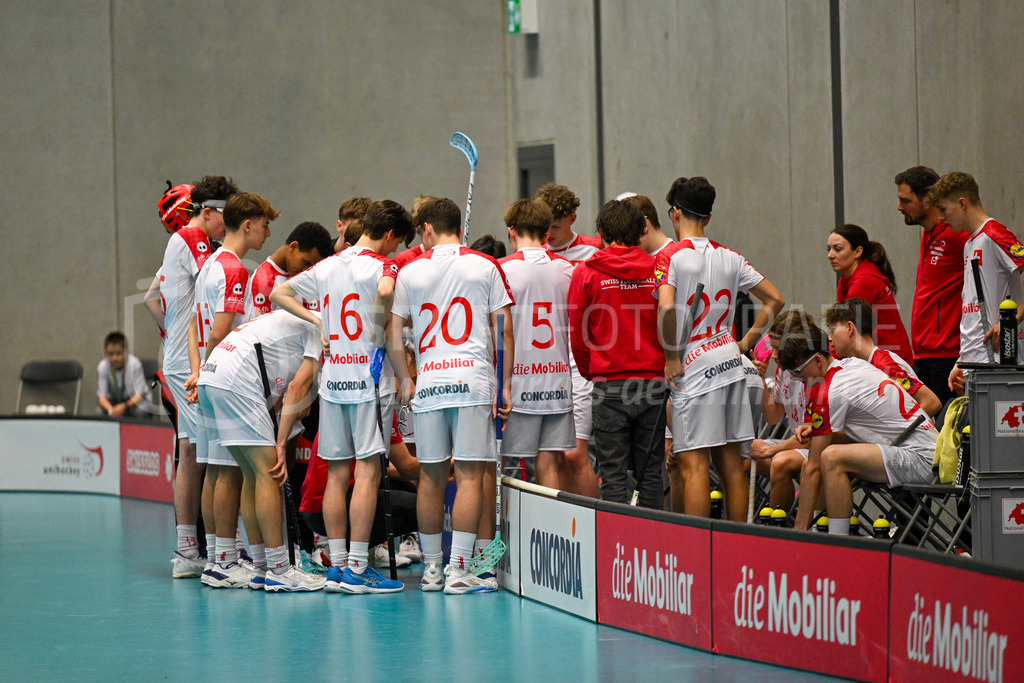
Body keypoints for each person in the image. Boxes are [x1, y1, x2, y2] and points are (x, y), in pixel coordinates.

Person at [272, 199, 414, 594]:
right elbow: (386, 292)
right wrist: (381, 323)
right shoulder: (385, 266)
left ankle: (336, 567)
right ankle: (355, 568)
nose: (395, 250)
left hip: (334, 383)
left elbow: (280, 292)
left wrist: (318, 320)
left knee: (337, 472)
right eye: (396, 242)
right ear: (389, 234)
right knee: (367, 471)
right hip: (369, 383)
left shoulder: (329, 265)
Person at [388, 196, 514, 595]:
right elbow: (504, 330)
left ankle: (432, 571)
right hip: (473, 381)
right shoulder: (486, 265)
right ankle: (461, 570)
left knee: (431, 477)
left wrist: (403, 381)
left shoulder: (412, 271)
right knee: (471, 475)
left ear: (426, 228)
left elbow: (392, 331)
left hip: (429, 382)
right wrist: (505, 384)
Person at [657, 176, 784, 520]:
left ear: (674, 213)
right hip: (730, 363)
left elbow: (666, 308)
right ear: (709, 218)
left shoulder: (671, 255)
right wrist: (745, 343)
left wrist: (671, 357)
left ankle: (698, 551)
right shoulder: (731, 256)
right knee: (731, 465)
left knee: (694, 465)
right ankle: (739, 545)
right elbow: (776, 299)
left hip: (693, 369)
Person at [196, 310, 326, 591]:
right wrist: (281, 443)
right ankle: (280, 571)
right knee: (269, 472)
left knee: (251, 473)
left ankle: (261, 567)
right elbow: (296, 387)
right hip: (236, 378)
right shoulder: (322, 327)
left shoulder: (300, 321)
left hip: (212, 374)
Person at [149, 175, 238, 579]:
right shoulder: (191, 239)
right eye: (228, 217)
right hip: (191, 362)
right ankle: (220, 552)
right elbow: (219, 285)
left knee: (192, 452)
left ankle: (190, 550)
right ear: (207, 213)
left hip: (183, 357)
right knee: (214, 452)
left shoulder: (184, 242)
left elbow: (155, 299)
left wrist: (170, 330)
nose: (231, 225)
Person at [188, 192, 277, 585]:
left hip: (209, 376)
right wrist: (210, 367)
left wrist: (198, 371)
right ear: (247, 225)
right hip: (228, 379)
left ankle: (216, 557)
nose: (267, 232)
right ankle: (224, 561)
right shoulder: (235, 270)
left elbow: (192, 323)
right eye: (264, 224)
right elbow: (221, 331)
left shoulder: (208, 264)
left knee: (214, 470)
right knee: (229, 472)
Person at [778, 329, 938, 533]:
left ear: (818, 361)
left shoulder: (830, 392)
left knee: (829, 458)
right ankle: (819, 531)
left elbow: (814, 468)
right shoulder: (851, 364)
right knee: (822, 456)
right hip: (920, 450)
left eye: (797, 372)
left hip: (922, 459)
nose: (795, 379)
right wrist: (821, 432)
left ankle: (835, 544)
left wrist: (795, 536)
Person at [568, 200, 666, 508]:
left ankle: (616, 548)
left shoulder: (586, 274)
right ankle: (652, 549)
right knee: (651, 474)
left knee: (612, 477)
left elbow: (577, 334)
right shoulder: (659, 271)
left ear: (601, 231)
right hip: (652, 383)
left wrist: (591, 371)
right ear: (640, 230)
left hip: (609, 385)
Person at [500, 199, 577, 490]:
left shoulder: (500, 269)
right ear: (546, 234)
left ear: (511, 232)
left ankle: (504, 530)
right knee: (549, 461)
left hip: (517, 383)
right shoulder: (567, 269)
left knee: (505, 461)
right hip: (556, 379)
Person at [926, 171, 1024, 394]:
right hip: (974, 361)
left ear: (962, 203)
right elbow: (973, 308)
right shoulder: (970, 243)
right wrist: (961, 361)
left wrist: (1011, 321)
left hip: (999, 360)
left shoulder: (994, 234)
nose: (941, 218)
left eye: (943, 209)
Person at [534, 183, 601, 498]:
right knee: (551, 454)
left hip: (579, 360)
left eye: (555, 227)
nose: (548, 233)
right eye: (543, 226)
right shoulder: (533, 253)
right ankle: (562, 529)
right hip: (542, 363)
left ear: (572, 219)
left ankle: (588, 524)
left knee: (575, 453)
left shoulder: (594, 250)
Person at [895, 166, 969, 405]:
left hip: (947, 355)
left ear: (928, 201)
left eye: (905, 200)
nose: (899, 207)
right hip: (924, 354)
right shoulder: (928, 234)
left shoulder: (958, 235)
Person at [748, 311, 819, 515]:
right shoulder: (783, 370)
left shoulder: (814, 372)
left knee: (780, 461)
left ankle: (778, 528)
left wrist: (771, 450)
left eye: (779, 349)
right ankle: (738, 529)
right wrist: (760, 378)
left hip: (817, 445)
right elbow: (773, 417)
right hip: (796, 443)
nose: (775, 356)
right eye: (772, 349)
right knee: (737, 454)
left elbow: (817, 436)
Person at [825, 298, 942, 416]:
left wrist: (895, 430)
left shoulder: (886, 365)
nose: (829, 338)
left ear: (850, 328)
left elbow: (932, 403)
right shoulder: (856, 366)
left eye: (832, 330)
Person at [827, 224, 914, 364]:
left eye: (837, 249)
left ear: (858, 252)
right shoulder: (846, 280)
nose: (830, 255)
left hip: (891, 362)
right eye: (829, 249)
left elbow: (845, 330)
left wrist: (827, 361)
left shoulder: (864, 281)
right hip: (879, 359)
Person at [248, 221, 334, 316]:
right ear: (293, 247)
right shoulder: (264, 280)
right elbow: (260, 328)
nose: (306, 270)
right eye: (306, 262)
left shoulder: (309, 276)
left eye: (312, 267)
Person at [96, 332, 149, 418]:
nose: (115, 358)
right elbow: (101, 397)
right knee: (99, 411)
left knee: (142, 409)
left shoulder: (135, 364)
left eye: (118, 354)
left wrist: (125, 406)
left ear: (127, 353)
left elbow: (140, 395)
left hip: (132, 401)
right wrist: (111, 410)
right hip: (114, 402)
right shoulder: (103, 366)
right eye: (111, 354)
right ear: (106, 353)